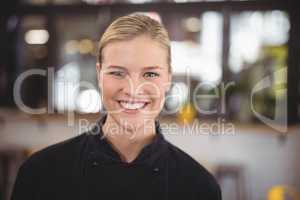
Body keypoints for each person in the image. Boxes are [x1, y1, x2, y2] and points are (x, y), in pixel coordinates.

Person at [11, 14, 222, 200]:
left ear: (167, 78)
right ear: (99, 75)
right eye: (117, 72)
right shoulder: (40, 173)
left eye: (150, 74)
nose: (133, 89)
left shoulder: (199, 188)